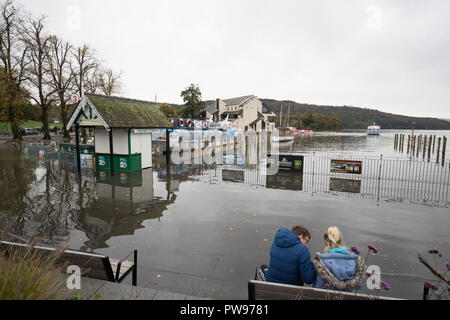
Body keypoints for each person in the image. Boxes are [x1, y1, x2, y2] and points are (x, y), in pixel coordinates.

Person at [313, 226, 366, 292]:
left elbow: (319, 287)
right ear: (340, 241)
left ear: (327, 242)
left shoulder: (322, 262)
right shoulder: (355, 261)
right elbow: (358, 286)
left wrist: (318, 259)